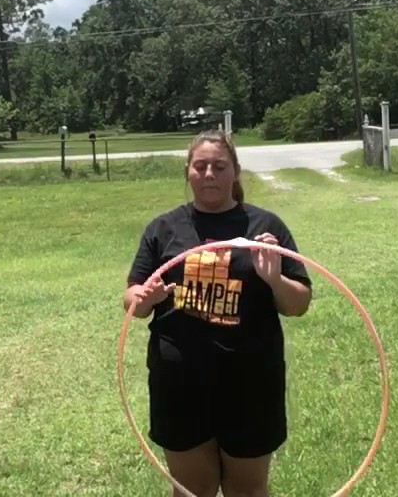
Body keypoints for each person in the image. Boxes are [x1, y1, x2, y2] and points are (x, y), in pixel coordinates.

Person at [122, 129, 313, 497]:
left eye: (219, 166)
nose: (209, 174)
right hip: (180, 386)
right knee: (192, 490)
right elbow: (132, 296)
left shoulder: (265, 228)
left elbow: (298, 304)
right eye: (200, 166)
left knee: (248, 490)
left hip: (251, 385)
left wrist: (274, 279)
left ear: (236, 171)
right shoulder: (164, 228)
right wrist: (144, 298)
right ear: (188, 172)